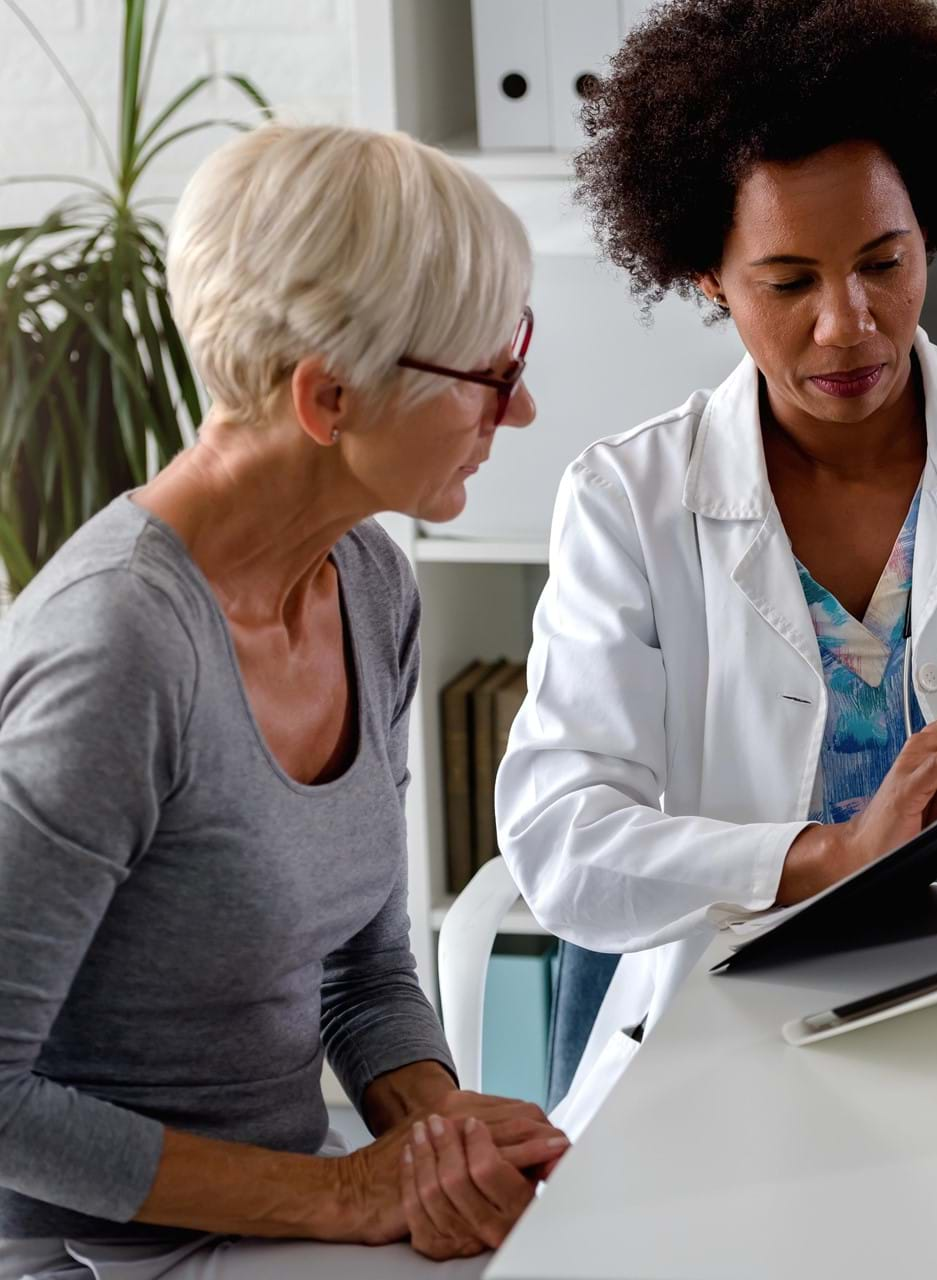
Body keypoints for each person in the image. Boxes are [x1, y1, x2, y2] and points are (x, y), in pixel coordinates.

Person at [496, 0, 937, 1135]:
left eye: (884, 261)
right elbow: (562, 844)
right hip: (722, 1054)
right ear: (704, 276)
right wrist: (832, 851)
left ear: (931, 224)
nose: (849, 324)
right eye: (787, 282)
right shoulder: (626, 502)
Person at [0, 122, 566, 1278]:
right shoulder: (117, 653)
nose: (518, 412)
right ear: (328, 399)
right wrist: (347, 1192)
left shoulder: (367, 584)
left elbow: (361, 968)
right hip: (94, 1256)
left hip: (271, 1220)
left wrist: (432, 1134)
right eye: (489, 373)